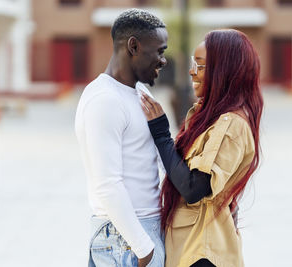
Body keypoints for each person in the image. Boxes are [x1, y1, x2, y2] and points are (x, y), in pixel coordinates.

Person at [140, 29, 263, 267]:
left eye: (201, 66)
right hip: (191, 248)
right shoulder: (210, 118)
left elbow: (194, 187)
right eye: (192, 64)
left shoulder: (231, 124)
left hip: (203, 252)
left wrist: (161, 133)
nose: (191, 72)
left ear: (224, 71)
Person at [75, 9, 167, 267]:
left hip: (142, 232)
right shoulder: (104, 99)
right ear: (134, 46)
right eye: (159, 51)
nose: (164, 60)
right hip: (125, 238)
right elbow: (107, 184)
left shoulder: (139, 93)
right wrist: (144, 249)